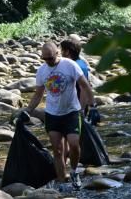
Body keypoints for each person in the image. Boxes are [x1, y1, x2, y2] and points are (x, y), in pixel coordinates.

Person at [24, 41, 95, 191]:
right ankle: (62, 182)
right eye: (44, 59)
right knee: (57, 150)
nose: (48, 61)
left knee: (74, 145)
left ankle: (74, 172)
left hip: (71, 112)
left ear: (57, 53)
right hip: (52, 114)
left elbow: (84, 85)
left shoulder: (70, 65)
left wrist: (92, 105)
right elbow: (38, 94)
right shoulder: (42, 71)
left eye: (50, 58)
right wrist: (27, 111)